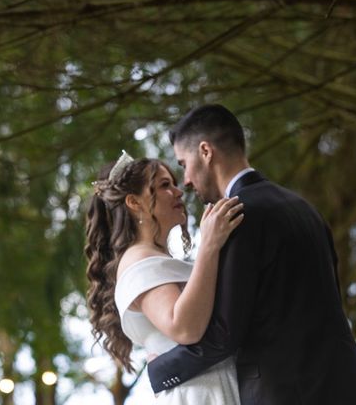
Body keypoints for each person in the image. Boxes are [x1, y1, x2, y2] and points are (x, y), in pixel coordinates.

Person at [147, 104, 356, 405]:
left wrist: (159, 370)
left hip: (287, 393)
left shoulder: (234, 217)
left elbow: (223, 334)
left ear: (205, 151)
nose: (187, 180)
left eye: (183, 163)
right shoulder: (304, 208)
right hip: (350, 386)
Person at [85, 151, 244, 404]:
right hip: (200, 394)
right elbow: (184, 327)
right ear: (134, 203)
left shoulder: (155, 259)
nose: (178, 192)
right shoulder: (140, 262)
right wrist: (209, 246)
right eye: (164, 185)